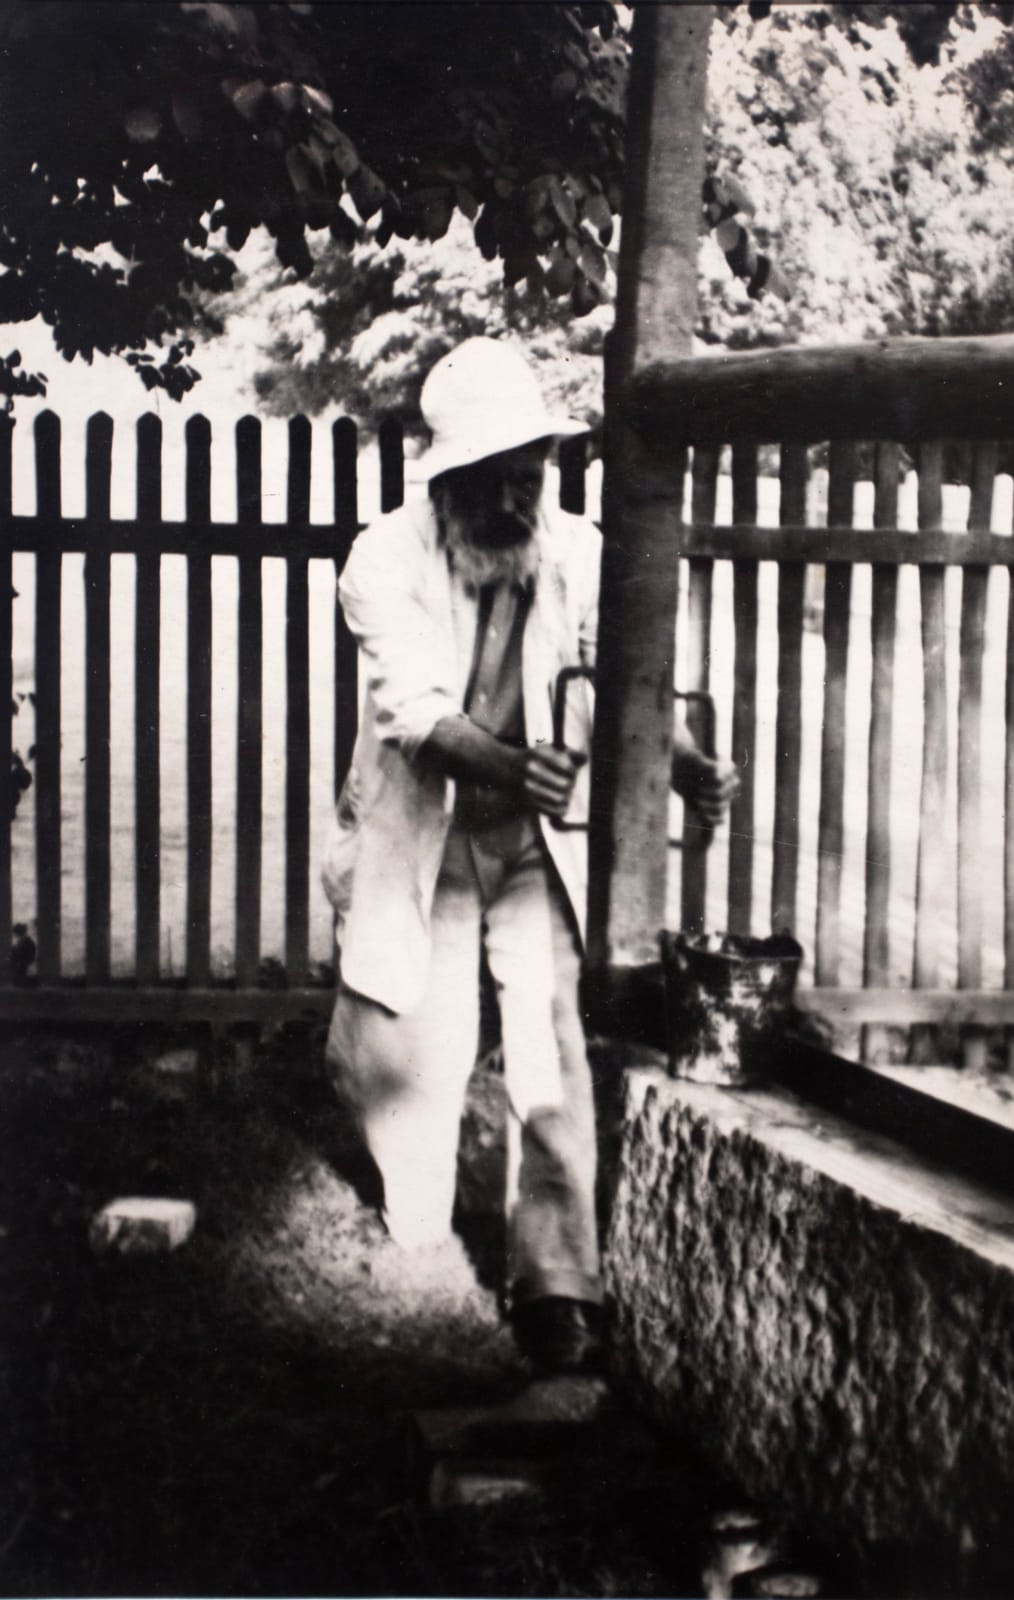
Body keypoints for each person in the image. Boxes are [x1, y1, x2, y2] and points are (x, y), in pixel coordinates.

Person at [322, 336, 738, 1374]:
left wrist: (685, 765)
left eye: (532, 474)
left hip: (531, 837)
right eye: (496, 482)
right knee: (411, 1034)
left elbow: (625, 675)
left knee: (549, 1035)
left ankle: (557, 1282)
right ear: (449, 481)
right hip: (429, 819)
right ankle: (417, 1226)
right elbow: (415, 711)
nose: (518, 500)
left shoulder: (580, 550)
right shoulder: (384, 559)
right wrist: (513, 764)